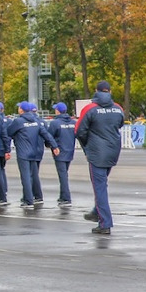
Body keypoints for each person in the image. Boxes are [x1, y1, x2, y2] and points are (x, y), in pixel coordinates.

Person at [76, 81, 126, 233]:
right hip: (113, 151)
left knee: (99, 188)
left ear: (96, 91)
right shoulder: (118, 108)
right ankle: (96, 211)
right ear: (110, 91)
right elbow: (120, 124)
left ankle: (105, 223)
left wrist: (87, 147)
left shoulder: (90, 108)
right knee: (102, 184)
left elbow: (79, 131)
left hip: (97, 152)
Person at [7, 101, 53, 208]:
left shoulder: (19, 121)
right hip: (36, 151)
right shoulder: (39, 121)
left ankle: (28, 199)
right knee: (34, 175)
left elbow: (9, 132)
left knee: (26, 176)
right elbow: (46, 134)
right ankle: (36, 196)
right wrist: (53, 145)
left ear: (22, 110)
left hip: (25, 152)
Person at [46, 101, 76, 205]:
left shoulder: (55, 123)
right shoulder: (73, 123)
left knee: (63, 175)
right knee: (64, 174)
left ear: (58, 111)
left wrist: (50, 145)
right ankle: (63, 196)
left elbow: (49, 136)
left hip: (59, 151)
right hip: (70, 151)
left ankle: (66, 198)